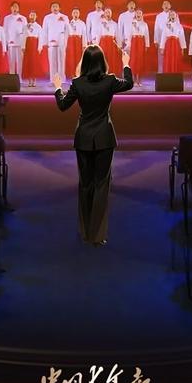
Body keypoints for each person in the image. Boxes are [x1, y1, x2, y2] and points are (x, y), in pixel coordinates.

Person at [53, 45, 133, 245]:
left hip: (83, 139)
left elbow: (62, 105)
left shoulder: (78, 83)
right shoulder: (110, 81)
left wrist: (57, 88)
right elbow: (129, 83)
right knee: (101, 185)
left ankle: (85, 231)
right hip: (104, 138)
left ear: (85, 63)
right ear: (102, 62)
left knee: (85, 184)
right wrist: (126, 64)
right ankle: (97, 235)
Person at [39, 2, 70, 83]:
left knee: (61, 61)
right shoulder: (47, 17)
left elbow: (67, 30)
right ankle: (53, 79)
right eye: (53, 6)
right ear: (51, 8)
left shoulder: (64, 17)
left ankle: (62, 79)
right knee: (52, 61)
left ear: (59, 8)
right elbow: (44, 30)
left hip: (61, 41)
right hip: (51, 40)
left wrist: (65, 41)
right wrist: (45, 42)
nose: (55, 8)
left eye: (56, 6)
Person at [154, 0, 179, 73]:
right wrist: (156, 40)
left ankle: (171, 73)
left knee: (172, 57)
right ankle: (161, 73)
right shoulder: (159, 16)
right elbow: (156, 28)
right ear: (162, 6)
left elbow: (178, 27)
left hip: (172, 40)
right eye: (164, 4)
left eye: (168, 4)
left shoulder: (175, 15)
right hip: (161, 39)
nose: (166, 5)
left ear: (170, 6)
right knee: (161, 57)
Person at [3, 2, 27, 77]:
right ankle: (12, 78)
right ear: (11, 8)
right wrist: (6, 42)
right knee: (11, 62)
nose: (15, 8)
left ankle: (19, 78)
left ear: (18, 8)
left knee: (20, 62)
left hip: (20, 43)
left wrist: (23, 44)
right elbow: (5, 31)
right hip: (10, 43)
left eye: (16, 7)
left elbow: (25, 32)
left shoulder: (23, 18)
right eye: (13, 7)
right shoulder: (7, 18)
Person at [95, 7, 120, 74]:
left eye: (109, 12)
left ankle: (111, 74)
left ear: (111, 14)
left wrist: (119, 45)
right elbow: (98, 35)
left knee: (111, 58)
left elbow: (117, 36)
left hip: (111, 43)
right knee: (103, 58)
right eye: (106, 12)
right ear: (104, 14)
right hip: (103, 42)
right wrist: (96, 45)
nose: (107, 14)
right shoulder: (100, 23)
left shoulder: (114, 24)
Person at [22, 11, 44, 87]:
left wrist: (40, 47)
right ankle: (29, 81)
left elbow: (41, 38)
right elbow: (23, 37)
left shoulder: (38, 26)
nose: (32, 17)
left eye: (34, 15)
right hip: (28, 45)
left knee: (34, 63)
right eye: (31, 15)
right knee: (28, 63)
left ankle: (34, 80)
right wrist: (23, 46)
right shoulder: (26, 26)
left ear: (36, 17)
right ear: (29, 16)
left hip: (35, 45)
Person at [128, 8, 150, 86]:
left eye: (140, 13)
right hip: (134, 42)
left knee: (140, 60)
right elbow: (129, 35)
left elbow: (147, 35)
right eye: (137, 13)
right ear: (135, 14)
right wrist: (129, 45)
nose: (138, 14)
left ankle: (139, 80)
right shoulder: (132, 23)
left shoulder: (144, 24)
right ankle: (134, 80)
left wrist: (147, 45)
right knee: (134, 60)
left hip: (141, 42)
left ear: (142, 15)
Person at [66, 8, 87, 79]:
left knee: (78, 57)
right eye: (74, 13)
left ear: (79, 14)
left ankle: (78, 73)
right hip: (71, 41)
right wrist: (66, 45)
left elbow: (84, 35)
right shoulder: (69, 23)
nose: (75, 14)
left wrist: (84, 45)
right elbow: (66, 34)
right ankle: (72, 73)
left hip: (78, 41)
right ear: (72, 14)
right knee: (71, 57)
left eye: (77, 13)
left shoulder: (82, 23)